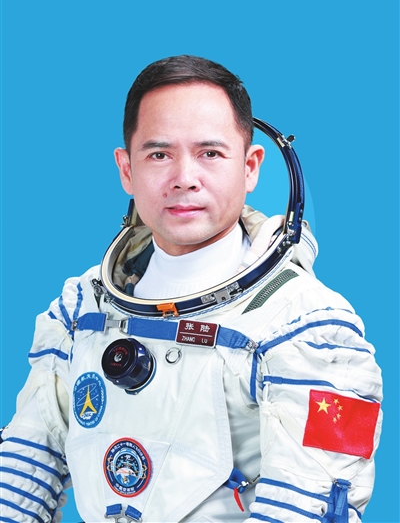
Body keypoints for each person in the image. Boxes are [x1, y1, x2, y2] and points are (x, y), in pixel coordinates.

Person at [0, 56, 382, 523]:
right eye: (159, 155)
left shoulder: (311, 327)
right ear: (126, 169)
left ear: (250, 167)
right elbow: (23, 467)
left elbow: (308, 505)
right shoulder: (81, 308)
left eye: (210, 154)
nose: (184, 178)